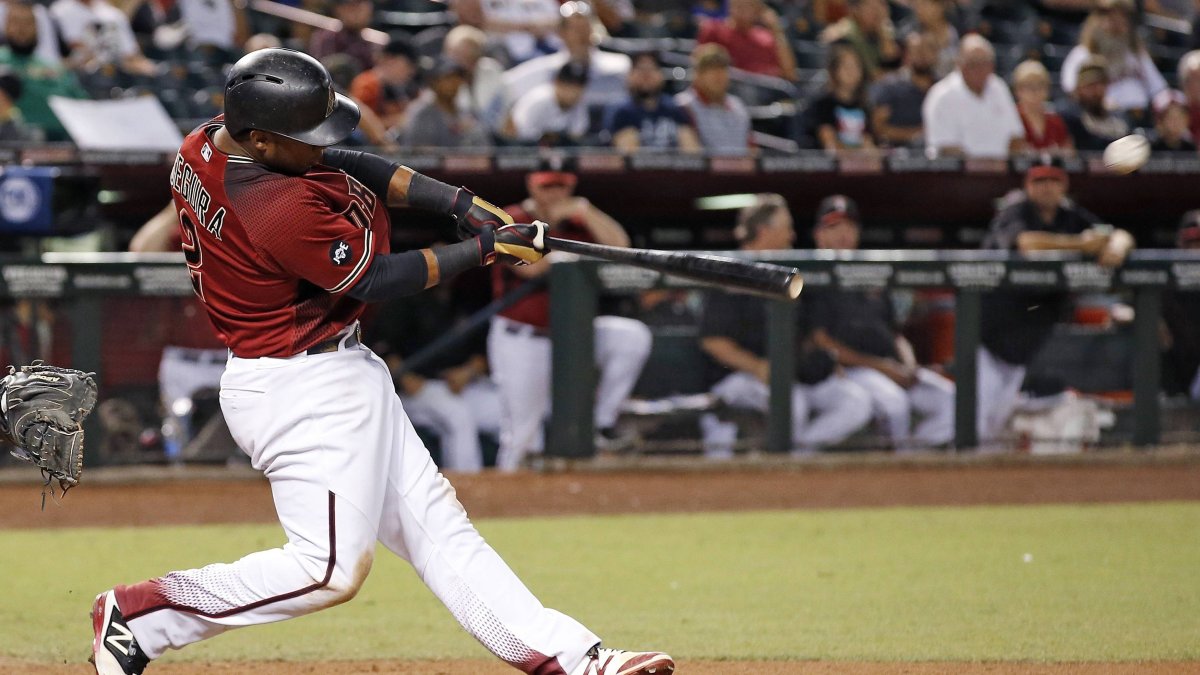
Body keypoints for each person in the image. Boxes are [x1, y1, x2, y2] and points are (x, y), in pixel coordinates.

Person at [88, 48, 673, 675]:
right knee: (329, 570)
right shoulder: (273, 207)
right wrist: (483, 249)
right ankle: (139, 614)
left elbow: (347, 159)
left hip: (335, 368)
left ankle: (569, 660)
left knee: (438, 529)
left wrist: (455, 203)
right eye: (303, 137)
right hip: (297, 383)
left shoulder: (207, 141)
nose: (320, 147)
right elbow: (376, 277)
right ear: (259, 138)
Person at [489, 166, 653, 471]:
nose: (555, 193)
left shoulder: (578, 222)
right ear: (532, 186)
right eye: (547, 186)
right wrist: (564, 246)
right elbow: (530, 267)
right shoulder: (512, 218)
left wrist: (587, 212)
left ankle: (602, 423)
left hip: (572, 335)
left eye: (561, 186)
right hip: (523, 338)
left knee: (631, 337)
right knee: (524, 436)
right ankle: (511, 504)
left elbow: (622, 247)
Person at [698, 193, 873, 459]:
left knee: (855, 401)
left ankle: (796, 460)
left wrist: (821, 361)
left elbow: (807, 333)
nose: (792, 236)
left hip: (787, 375)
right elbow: (713, 341)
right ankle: (779, 466)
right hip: (737, 377)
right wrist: (757, 366)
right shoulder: (729, 269)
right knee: (791, 404)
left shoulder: (790, 272)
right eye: (786, 228)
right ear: (764, 231)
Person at [978, 155, 1135, 444]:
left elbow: (1118, 234)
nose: (1047, 187)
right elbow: (1026, 243)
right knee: (977, 422)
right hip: (988, 337)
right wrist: (1081, 244)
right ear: (1028, 185)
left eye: (1053, 180)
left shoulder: (1071, 216)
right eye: (1039, 180)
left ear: (1064, 185)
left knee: (996, 425)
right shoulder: (1015, 209)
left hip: (1027, 339)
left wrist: (1117, 245)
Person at [805, 195, 955, 450]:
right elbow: (820, 340)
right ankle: (894, 473)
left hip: (891, 366)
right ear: (819, 234)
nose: (843, 234)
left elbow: (895, 333)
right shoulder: (815, 276)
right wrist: (883, 367)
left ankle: (912, 459)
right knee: (895, 404)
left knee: (952, 401)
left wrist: (909, 365)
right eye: (834, 227)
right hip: (853, 369)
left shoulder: (871, 272)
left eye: (849, 226)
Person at [128, 203, 229, 464]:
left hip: (233, 360)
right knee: (180, 447)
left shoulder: (239, 227)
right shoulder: (185, 233)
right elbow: (140, 251)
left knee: (239, 451)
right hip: (183, 363)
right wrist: (179, 201)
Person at [499, 2, 631, 116]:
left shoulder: (621, 66)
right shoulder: (544, 70)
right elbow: (504, 88)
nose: (582, 35)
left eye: (586, 28)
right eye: (575, 29)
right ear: (561, 34)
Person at [922, 33, 1025, 159]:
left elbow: (1015, 137)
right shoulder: (941, 95)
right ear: (960, 64)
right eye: (973, 64)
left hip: (1000, 172)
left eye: (985, 63)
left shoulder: (998, 87)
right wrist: (982, 168)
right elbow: (946, 148)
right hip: (958, 174)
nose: (979, 69)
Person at [1060, 0, 1166, 116]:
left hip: (1141, 116)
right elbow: (1070, 88)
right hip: (1102, 117)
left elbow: (1159, 88)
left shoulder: (1136, 54)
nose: (1117, 24)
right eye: (1111, 18)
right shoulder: (1082, 54)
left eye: (1122, 18)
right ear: (1096, 22)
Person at [605, 51, 701, 153]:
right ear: (629, 76)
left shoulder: (675, 109)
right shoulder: (622, 112)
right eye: (640, 69)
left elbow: (692, 151)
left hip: (676, 168)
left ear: (661, 76)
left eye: (652, 69)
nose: (646, 75)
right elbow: (629, 155)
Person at [398, 55, 493, 150]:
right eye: (447, 78)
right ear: (433, 82)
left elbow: (484, 148)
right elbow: (421, 153)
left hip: (467, 164)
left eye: (456, 78)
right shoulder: (422, 112)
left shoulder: (465, 112)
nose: (453, 83)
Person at [674, 43, 752, 156]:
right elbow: (691, 157)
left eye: (722, 68)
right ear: (697, 74)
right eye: (710, 69)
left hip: (741, 171)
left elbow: (752, 152)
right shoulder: (683, 105)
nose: (718, 75)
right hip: (703, 172)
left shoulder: (738, 106)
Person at [697, 0, 798, 81]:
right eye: (739, 4)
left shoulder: (768, 36)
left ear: (758, 9)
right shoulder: (713, 30)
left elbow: (790, 74)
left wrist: (777, 30)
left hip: (770, 93)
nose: (744, 9)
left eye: (750, 5)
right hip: (735, 91)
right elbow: (702, 69)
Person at [50, 0, 158, 76]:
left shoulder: (113, 13)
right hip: (81, 70)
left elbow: (130, 52)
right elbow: (74, 46)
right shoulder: (60, 10)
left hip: (119, 70)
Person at [869, 31, 937, 148]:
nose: (923, 55)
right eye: (917, 50)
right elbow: (878, 129)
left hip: (941, 157)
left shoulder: (942, 87)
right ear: (907, 55)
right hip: (899, 156)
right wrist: (916, 134)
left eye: (928, 49)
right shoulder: (890, 86)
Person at [804, 44, 876, 151]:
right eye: (846, 67)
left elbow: (868, 141)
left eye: (856, 66)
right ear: (834, 71)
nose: (852, 72)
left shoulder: (864, 104)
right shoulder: (823, 104)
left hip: (860, 163)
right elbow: (829, 144)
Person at [1161, 210, 1200, 400]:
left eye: (1199, 244)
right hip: (1175, 363)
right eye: (1190, 243)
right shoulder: (1164, 280)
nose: (1195, 251)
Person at [506, 60, 590, 145]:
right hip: (521, 148)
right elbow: (520, 133)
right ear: (557, 82)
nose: (573, 92)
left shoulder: (579, 104)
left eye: (578, 86)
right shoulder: (538, 100)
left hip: (555, 153)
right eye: (569, 85)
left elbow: (578, 134)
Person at [349, 35, 420, 132]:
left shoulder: (404, 87)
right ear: (390, 60)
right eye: (408, 66)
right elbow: (357, 123)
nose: (411, 73)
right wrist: (396, 121)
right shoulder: (367, 84)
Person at [1060, 56, 1130, 152]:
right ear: (1079, 88)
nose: (1097, 91)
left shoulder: (1118, 116)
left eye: (1101, 85)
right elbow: (1087, 143)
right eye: (1091, 86)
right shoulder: (1071, 115)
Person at [820, 0, 900, 82]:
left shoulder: (883, 29)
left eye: (881, 5)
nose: (878, 12)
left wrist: (883, 32)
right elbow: (873, 75)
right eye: (871, 7)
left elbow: (892, 62)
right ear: (856, 10)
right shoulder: (845, 35)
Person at [1012, 60, 1072, 154]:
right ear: (1018, 90)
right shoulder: (1012, 119)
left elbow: (1069, 155)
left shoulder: (1055, 121)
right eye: (1029, 85)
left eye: (1040, 84)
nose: (1035, 91)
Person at [308, 0, 376, 72]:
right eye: (352, 8)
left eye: (361, 9)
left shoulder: (374, 42)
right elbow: (320, 69)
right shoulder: (327, 38)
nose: (357, 14)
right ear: (339, 10)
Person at [896, 0, 956, 78]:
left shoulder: (958, 28)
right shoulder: (909, 34)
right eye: (917, 5)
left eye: (924, 4)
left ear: (940, 6)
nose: (919, 9)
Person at [1148, 88, 1196, 152]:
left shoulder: (1190, 148)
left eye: (1180, 117)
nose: (1176, 123)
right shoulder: (1151, 148)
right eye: (1170, 118)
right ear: (1159, 121)